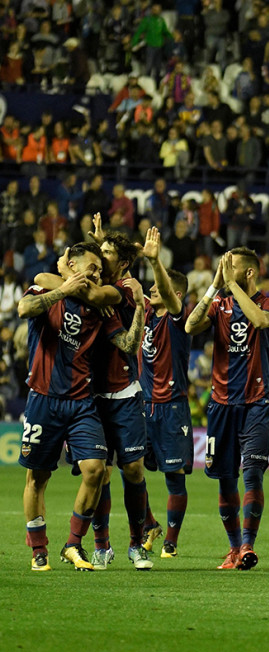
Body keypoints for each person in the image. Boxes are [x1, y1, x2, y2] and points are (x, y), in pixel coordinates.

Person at [36, 215, 154, 570]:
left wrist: (141, 313)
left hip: (122, 393)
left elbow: (129, 343)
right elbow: (44, 279)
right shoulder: (90, 293)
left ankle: (137, 544)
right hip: (87, 395)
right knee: (98, 472)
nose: (98, 263)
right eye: (96, 256)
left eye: (105, 256)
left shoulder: (120, 290)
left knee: (132, 468)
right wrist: (69, 273)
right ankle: (100, 545)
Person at [185, 247, 269, 571]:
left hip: (256, 402)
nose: (225, 269)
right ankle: (233, 548)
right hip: (221, 404)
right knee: (226, 480)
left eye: (232, 266)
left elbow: (259, 321)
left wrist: (233, 285)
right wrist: (215, 286)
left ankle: (248, 547)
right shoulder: (219, 304)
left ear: (249, 272)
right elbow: (190, 326)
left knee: (252, 474)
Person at [140, 226, 195, 558]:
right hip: (143, 405)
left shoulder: (180, 318)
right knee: (129, 467)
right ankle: (149, 523)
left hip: (172, 406)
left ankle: (171, 541)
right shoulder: (146, 313)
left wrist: (155, 261)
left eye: (157, 288)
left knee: (174, 477)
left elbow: (167, 294)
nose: (151, 290)